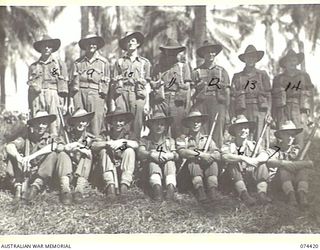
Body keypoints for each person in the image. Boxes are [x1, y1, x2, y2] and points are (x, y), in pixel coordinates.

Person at [255, 121, 311, 209]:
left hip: (295, 180)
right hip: (277, 181)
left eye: (292, 135)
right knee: (283, 169)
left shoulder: (298, 149)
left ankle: (302, 195)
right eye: (287, 135)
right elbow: (267, 160)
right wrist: (283, 163)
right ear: (281, 136)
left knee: (303, 170)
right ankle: (291, 196)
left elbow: (309, 163)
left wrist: (293, 164)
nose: (290, 138)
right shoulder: (275, 149)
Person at [5, 111, 58, 201]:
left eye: (44, 123)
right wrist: (20, 158)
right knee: (13, 155)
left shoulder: (50, 138)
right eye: (38, 123)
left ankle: (35, 187)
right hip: (24, 171)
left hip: (39, 172)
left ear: (48, 125)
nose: (41, 126)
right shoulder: (26, 138)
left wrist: (31, 157)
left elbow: (53, 146)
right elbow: (10, 146)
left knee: (52, 155)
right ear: (33, 125)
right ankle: (18, 188)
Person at [221, 115, 271, 206]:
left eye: (246, 128)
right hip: (233, 180)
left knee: (262, 165)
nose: (244, 130)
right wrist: (244, 158)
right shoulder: (228, 145)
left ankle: (262, 194)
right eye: (240, 128)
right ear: (235, 131)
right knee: (232, 165)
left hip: (249, 177)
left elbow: (265, 155)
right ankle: (244, 195)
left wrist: (255, 160)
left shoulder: (253, 145)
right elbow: (225, 156)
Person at [91, 107, 138, 199]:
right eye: (115, 121)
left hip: (123, 166)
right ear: (111, 122)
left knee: (129, 150)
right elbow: (94, 145)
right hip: (108, 167)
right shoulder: (106, 134)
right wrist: (107, 143)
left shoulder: (128, 134)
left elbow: (136, 144)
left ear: (124, 122)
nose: (118, 123)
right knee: (104, 151)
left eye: (121, 121)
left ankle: (124, 185)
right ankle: (110, 186)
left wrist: (123, 142)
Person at [111, 31, 151, 138]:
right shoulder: (119, 62)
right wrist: (112, 103)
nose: (130, 43)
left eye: (132, 41)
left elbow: (147, 85)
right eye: (127, 41)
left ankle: (135, 149)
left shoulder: (144, 63)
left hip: (138, 94)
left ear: (137, 44)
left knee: (137, 124)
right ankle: (121, 149)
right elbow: (113, 84)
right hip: (122, 94)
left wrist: (147, 104)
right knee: (120, 121)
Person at [176, 110, 222, 202]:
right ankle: (200, 191)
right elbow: (182, 152)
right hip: (187, 175)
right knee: (193, 161)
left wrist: (210, 156)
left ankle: (212, 190)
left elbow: (217, 154)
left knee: (212, 161)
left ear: (201, 124)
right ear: (188, 123)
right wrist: (200, 154)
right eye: (193, 121)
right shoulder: (182, 138)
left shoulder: (207, 139)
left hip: (205, 173)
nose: (196, 124)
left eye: (198, 121)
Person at [272, 49, 314, 147]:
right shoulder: (278, 78)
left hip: (299, 110)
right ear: (285, 63)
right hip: (282, 110)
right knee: (282, 136)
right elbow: (273, 98)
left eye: (294, 60)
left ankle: (298, 159)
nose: (292, 63)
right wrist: (274, 116)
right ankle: (282, 159)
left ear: (297, 62)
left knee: (299, 136)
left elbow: (310, 96)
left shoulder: (304, 76)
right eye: (289, 60)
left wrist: (310, 115)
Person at [231, 45, 271, 148]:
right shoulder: (237, 76)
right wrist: (233, 115)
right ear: (244, 59)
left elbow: (269, 95)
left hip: (260, 110)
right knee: (244, 137)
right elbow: (232, 98)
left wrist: (269, 113)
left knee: (260, 138)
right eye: (248, 57)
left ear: (257, 59)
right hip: (243, 110)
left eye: (253, 57)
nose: (250, 59)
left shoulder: (262, 75)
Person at [150, 38, 192, 138]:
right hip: (161, 100)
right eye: (169, 51)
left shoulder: (183, 67)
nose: (171, 54)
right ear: (165, 52)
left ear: (178, 52)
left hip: (177, 100)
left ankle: (178, 151)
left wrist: (187, 106)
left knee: (178, 130)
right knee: (160, 128)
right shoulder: (158, 67)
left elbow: (188, 87)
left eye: (174, 51)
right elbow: (152, 84)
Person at [191, 41, 230, 148]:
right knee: (202, 133)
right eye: (208, 52)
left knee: (217, 134)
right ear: (203, 54)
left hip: (218, 104)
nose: (211, 54)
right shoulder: (196, 72)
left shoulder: (222, 71)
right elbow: (191, 93)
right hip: (201, 105)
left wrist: (227, 112)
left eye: (213, 52)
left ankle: (217, 159)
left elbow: (227, 93)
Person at [28, 35, 68, 136]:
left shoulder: (58, 64)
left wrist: (65, 103)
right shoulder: (34, 66)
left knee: (54, 123)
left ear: (52, 48)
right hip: (37, 96)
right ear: (40, 48)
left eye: (49, 46)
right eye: (44, 46)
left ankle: (54, 144)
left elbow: (64, 85)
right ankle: (38, 144)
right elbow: (30, 87)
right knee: (38, 121)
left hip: (53, 94)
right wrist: (29, 104)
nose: (46, 48)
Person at [70, 33, 110, 136]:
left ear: (97, 45)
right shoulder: (77, 63)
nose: (91, 45)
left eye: (94, 43)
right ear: (84, 46)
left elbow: (108, 85)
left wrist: (105, 103)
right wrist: (70, 102)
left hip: (96, 95)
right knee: (80, 122)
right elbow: (72, 84)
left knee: (95, 124)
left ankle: (96, 147)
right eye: (89, 43)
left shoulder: (104, 63)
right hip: (79, 95)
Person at [137, 109, 179, 201]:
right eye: (156, 124)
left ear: (165, 127)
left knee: (170, 162)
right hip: (149, 173)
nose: (159, 126)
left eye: (162, 124)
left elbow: (176, 155)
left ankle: (170, 188)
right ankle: (157, 190)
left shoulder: (169, 140)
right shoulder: (145, 140)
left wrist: (170, 155)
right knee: (153, 163)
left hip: (166, 172)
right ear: (151, 126)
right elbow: (140, 152)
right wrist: (151, 154)